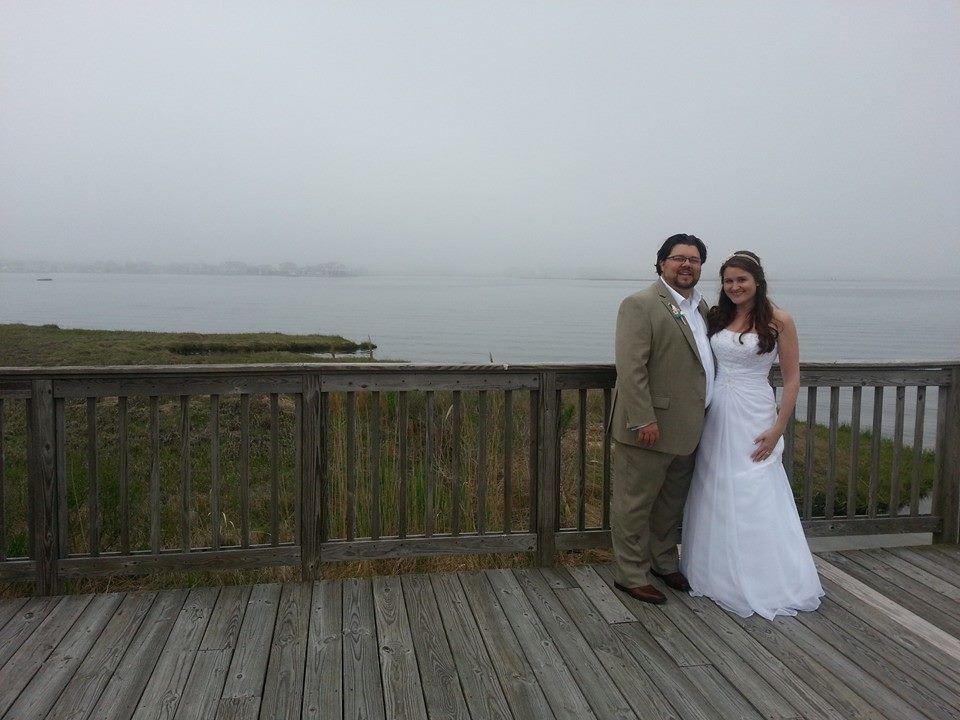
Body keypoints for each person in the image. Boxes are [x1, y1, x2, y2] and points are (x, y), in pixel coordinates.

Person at [680, 251, 824, 619]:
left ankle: (766, 577)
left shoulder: (779, 320)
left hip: (755, 412)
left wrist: (777, 428)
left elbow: (792, 379)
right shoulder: (717, 316)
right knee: (714, 484)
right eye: (728, 281)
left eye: (741, 279)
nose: (735, 286)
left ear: (757, 281)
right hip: (717, 412)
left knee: (754, 486)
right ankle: (717, 574)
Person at [609, 233, 714, 604]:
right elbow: (631, 367)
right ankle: (630, 574)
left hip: (689, 427)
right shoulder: (640, 304)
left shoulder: (701, 307)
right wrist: (643, 419)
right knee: (634, 504)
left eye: (694, 260)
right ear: (661, 263)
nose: (686, 265)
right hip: (649, 429)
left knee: (670, 504)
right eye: (678, 258)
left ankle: (663, 561)